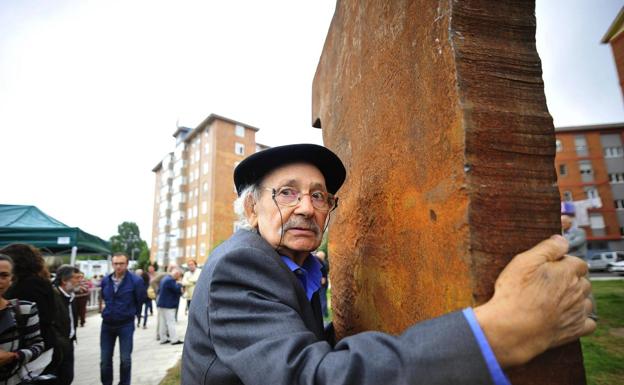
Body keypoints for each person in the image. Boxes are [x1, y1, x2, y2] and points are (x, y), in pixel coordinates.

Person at [182, 143, 596, 385]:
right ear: (252, 208)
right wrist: (502, 331)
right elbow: (314, 377)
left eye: (319, 195)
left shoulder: (296, 265)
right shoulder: (241, 265)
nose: (307, 207)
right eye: (288, 193)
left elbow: (295, 343)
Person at [0, 243, 60, 378]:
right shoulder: (40, 281)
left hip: (31, 357)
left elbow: (37, 326)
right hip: (44, 350)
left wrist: (14, 355)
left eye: (4, 275)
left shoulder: (27, 286)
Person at [99, 252, 146, 385]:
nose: (118, 266)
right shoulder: (106, 280)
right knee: (105, 360)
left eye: (121, 263)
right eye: (116, 263)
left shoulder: (136, 281)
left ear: (127, 264)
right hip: (107, 324)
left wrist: (131, 313)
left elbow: (140, 299)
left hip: (125, 324)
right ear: (112, 264)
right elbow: (104, 296)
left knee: (125, 359)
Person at [0, 253, 46, 385]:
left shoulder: (25, 309)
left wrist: (13, 356)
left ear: (12, 279)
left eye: (4, 275)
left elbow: (37, 345)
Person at [51, 265, 80, 385]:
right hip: (59, 347)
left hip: (69, 343)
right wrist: (61, 342)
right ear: (64, 280)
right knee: (60, 378)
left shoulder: (71, 296)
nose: (79, 280)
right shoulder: (53, 297)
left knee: (68, 377)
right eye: (76, 278)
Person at [157, 267, 183, 345]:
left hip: (162, 303)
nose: (179, 278)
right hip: (168, 305)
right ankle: (174, 339)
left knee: (163, 322)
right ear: (176, 274)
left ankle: (163, 338)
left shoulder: (165, 278)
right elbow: (177, 290)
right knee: (171, 322)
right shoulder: (170, 280)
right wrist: (179, 283)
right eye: (179, 276)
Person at [314, 250, 329, 318]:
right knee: (321, 297)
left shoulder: (322, 262)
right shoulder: (318, 260)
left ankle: (324, 313)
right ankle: (323, 313)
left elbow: (324, 270)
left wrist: (323, 277)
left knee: (322, 297)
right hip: (319, 282)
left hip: (322, 282)